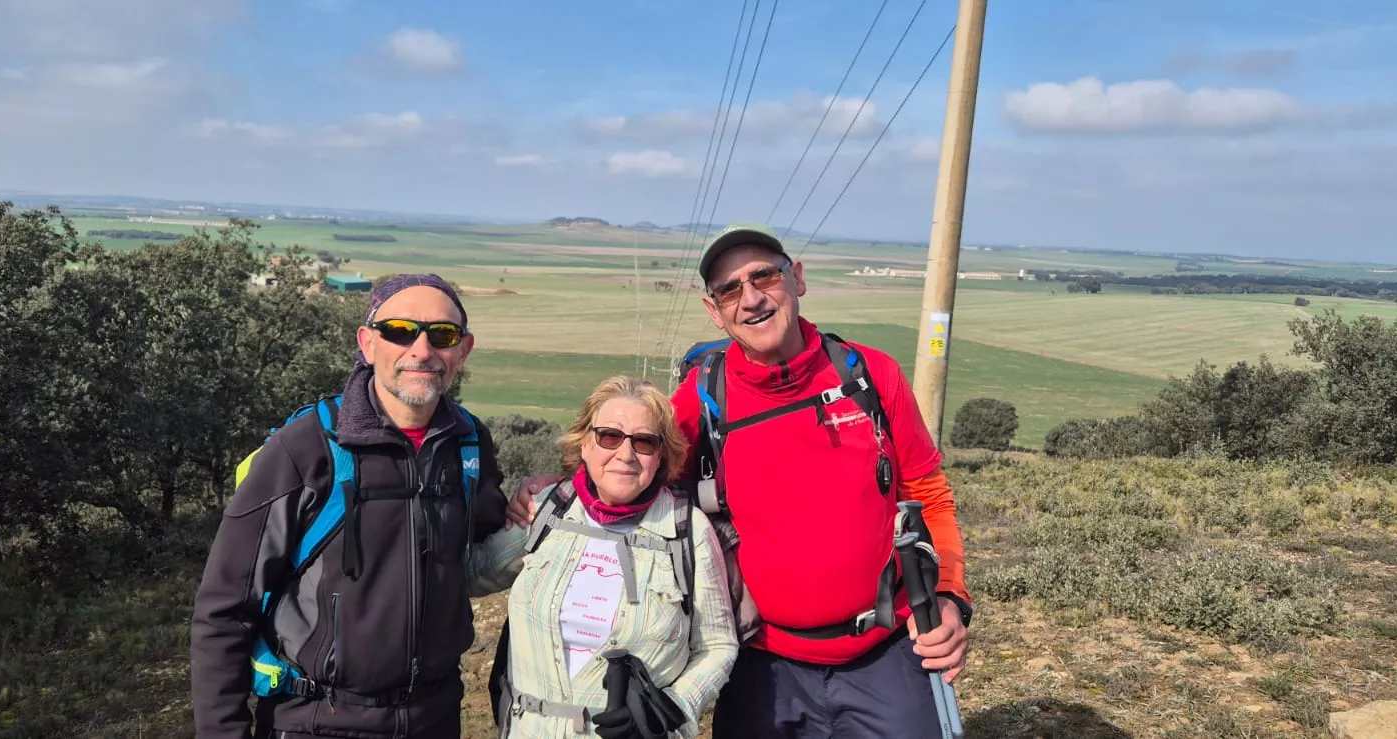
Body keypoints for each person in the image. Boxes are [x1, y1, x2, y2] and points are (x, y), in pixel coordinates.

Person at [190, 274, 533, 739]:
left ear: (463, 350)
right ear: (368, 343)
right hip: (318, 720)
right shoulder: (308, 446)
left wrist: (533, 503)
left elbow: (474, 546)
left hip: (434, 718)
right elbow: (225, 608)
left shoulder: (468, 443)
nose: (422, 349)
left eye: (443, 335)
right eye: (399, 330)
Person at [675, 223, 973, 737]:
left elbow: (927, 492)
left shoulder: (870, 375)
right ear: (714, 310)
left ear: (798, 279)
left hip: (886, 652)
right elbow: (627, 476)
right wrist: (547, 492)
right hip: (759, 663)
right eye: (729, 290)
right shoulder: (699, 401)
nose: (750, 299)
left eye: (763, 276)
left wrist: (949, 595)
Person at [469, 375, 739, 738]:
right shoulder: (548, 509)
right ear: (584, 443)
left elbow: (717, 645)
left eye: (644, 442)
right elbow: (471, 573)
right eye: (609, 436)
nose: (625, 455)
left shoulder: (687, 531)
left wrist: (672, 709)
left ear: (661, 456)